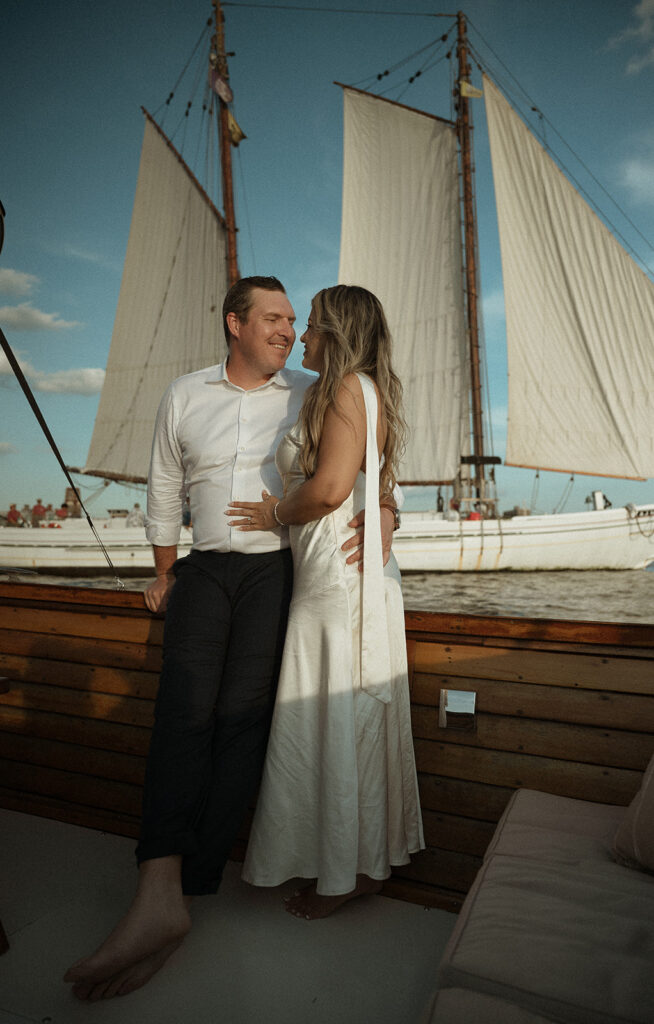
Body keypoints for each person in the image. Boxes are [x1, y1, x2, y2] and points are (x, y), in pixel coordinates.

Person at [63, 276, 396, 1000]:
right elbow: (163, 484)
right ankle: (157, 889)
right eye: (274, 318)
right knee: (182, 719)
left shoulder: (315, 386)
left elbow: (363, 451)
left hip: (279, 577)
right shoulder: (185, 394)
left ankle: (195, 890)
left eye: (293, 320)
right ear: (235, 324)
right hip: (206, 571)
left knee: (243, 727)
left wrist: (389, 507)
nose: (287, 330)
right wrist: (160, 570)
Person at [228, 284, 424, 919]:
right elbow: (372, 482)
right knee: (351, 728)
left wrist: (274, 512)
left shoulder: (343, 390)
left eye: (311, 325)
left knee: (337, 722)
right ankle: (361, 866)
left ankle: (340, 875)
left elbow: (335, 486)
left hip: (340, 582)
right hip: (341, 576)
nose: (303, 336)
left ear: (336, 333)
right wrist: (388, 508)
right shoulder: (358, 391)